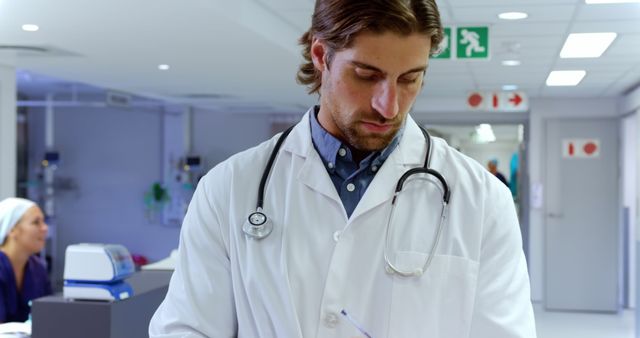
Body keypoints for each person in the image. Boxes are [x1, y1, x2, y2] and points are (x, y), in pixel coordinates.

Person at [149, 0, 536, 336]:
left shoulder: (483, 200)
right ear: (321, 56)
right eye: (367, 76)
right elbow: (188, 328)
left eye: (410, 79)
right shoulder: (229, 188)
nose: (390, 106)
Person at [0, 198, 52, 323]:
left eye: (43, 222)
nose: (45, 228)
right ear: (12, 230)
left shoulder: (38, 268)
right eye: (36, 222)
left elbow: (49, 315)